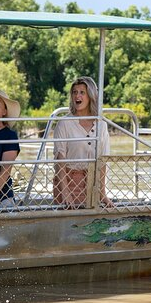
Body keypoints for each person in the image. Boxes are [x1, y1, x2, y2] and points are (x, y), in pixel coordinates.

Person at [53, 76, 113, 208]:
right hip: (67, 181)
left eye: (82, 92)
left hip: (92, 183)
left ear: (91, 96)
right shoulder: (64, 123)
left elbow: (103, 161)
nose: (77, 96)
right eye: (74, 92)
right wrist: (65, 192)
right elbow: (60, 161)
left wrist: (102, 193)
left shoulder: (101, 124)